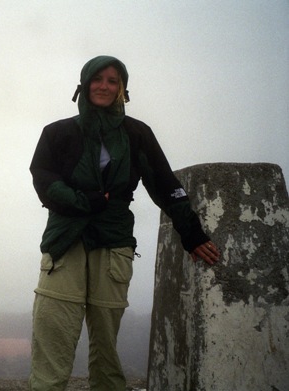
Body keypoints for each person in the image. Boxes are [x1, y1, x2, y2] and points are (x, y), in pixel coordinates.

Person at [28, 55, 220, 391]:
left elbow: (163, 183)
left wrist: (192, 235)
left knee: (106, 336)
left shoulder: (136, 134)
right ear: (84, 84)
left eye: (112, 80)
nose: (104, 86)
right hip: (65, 241)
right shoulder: (57, 133)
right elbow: (44, 180)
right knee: (54, 330)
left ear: (123, 89)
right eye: (97, 79)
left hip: (114, 240)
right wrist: (81, 201)